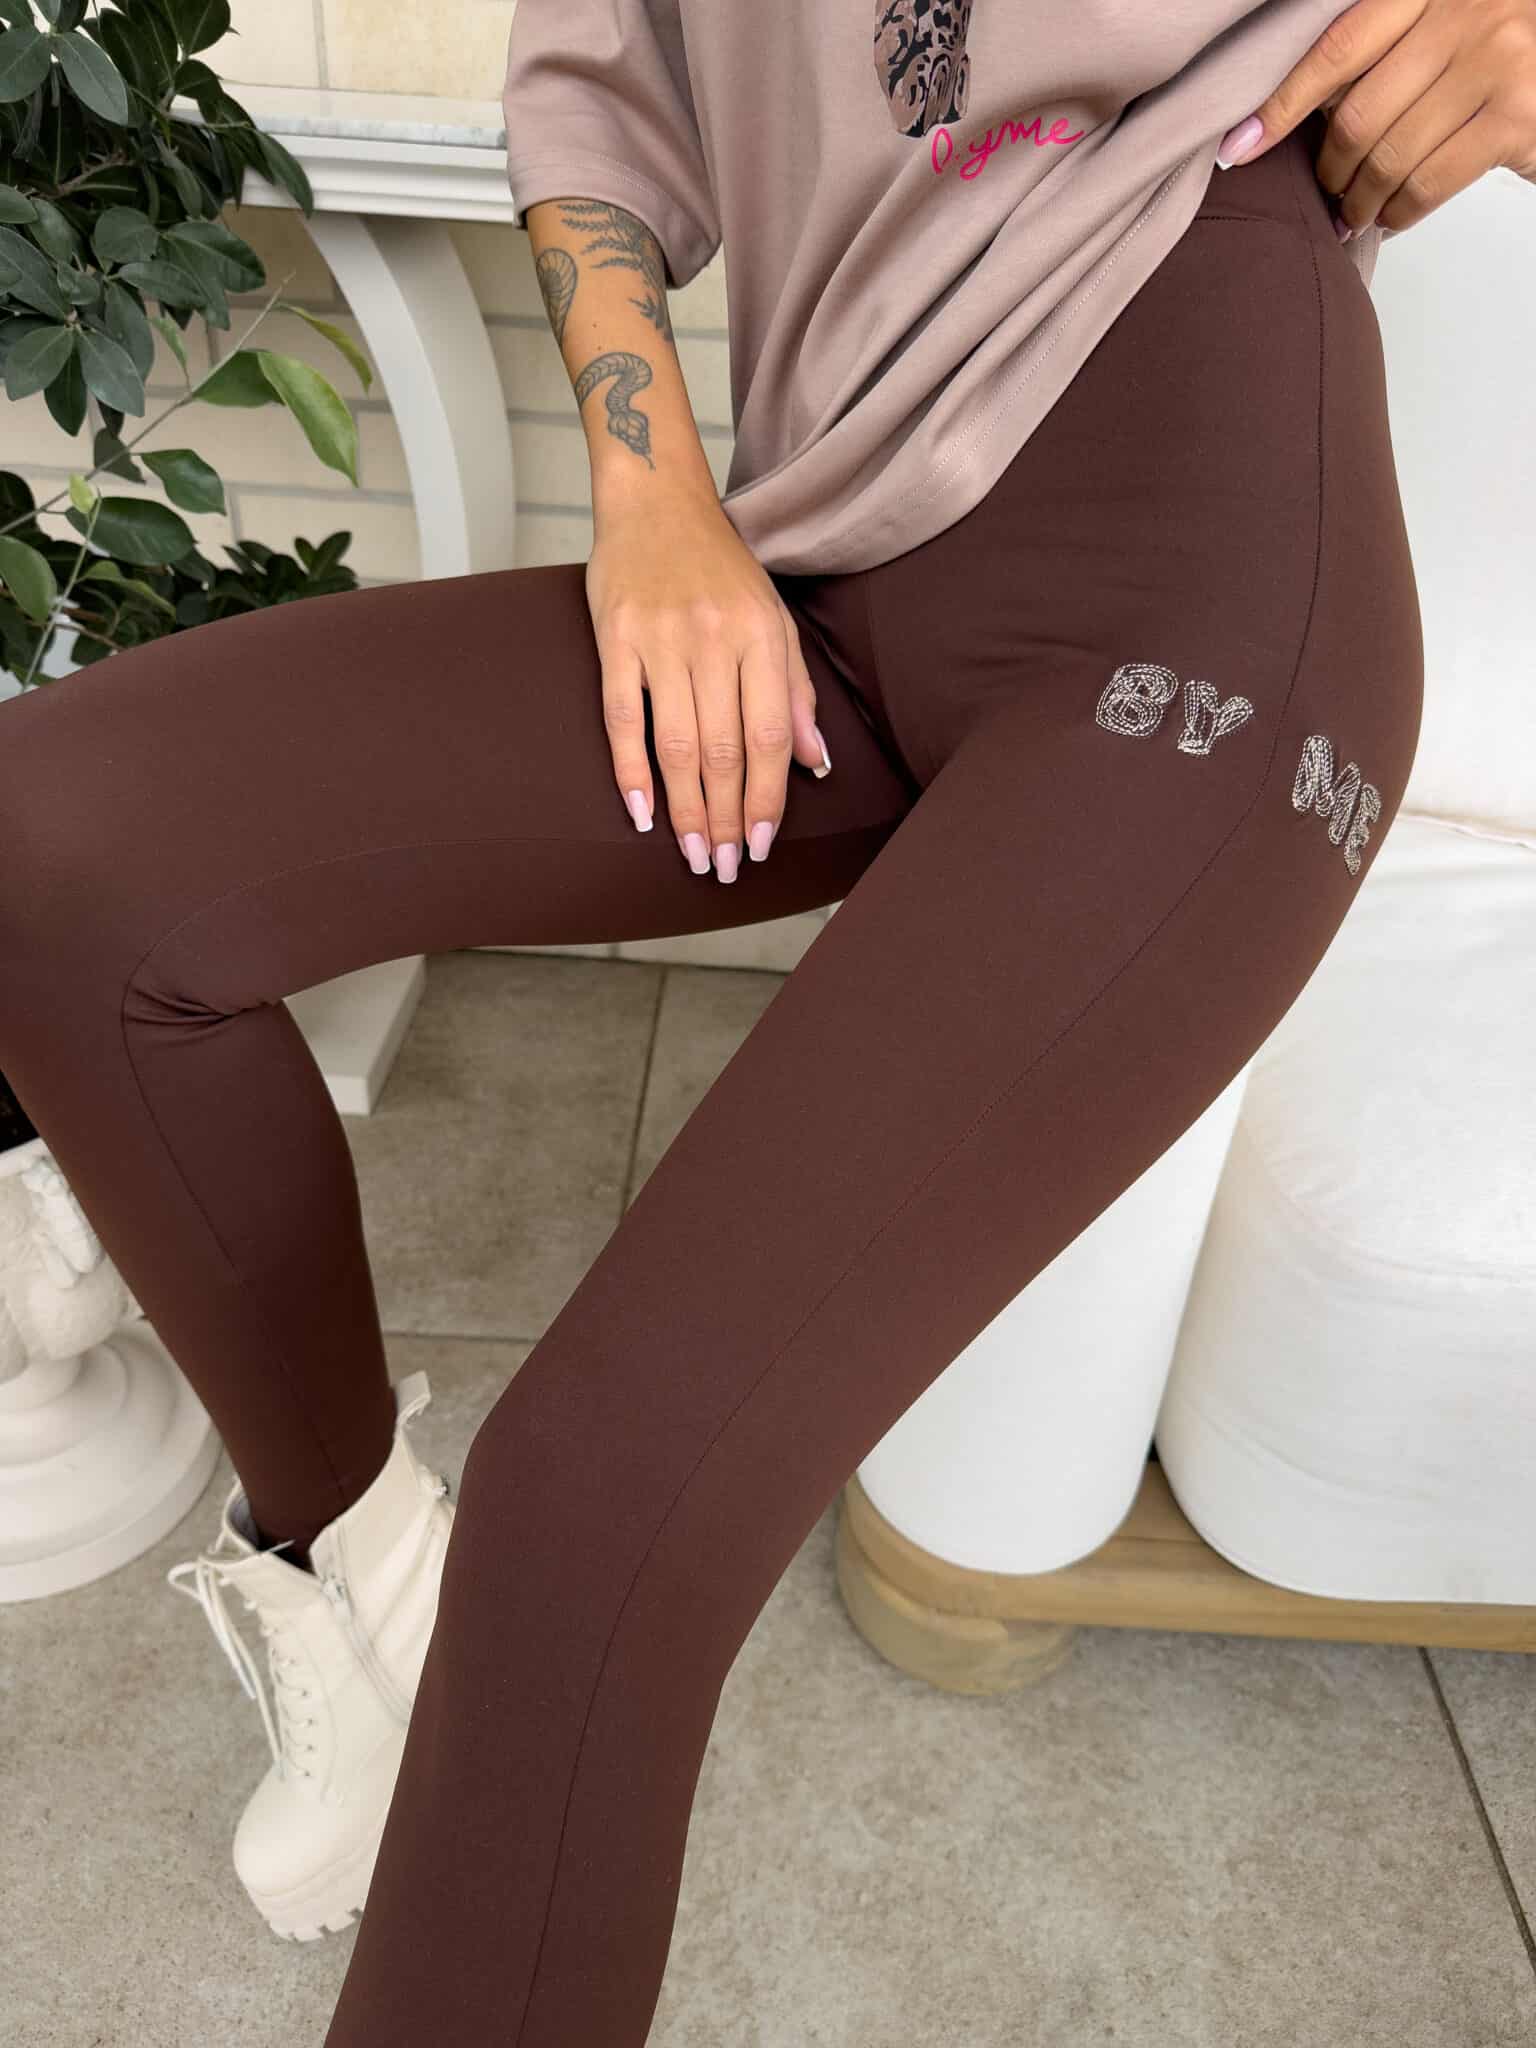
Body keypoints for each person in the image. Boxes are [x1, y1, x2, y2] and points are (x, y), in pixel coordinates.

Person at [1, 0, 1531, 2040]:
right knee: (62, 855)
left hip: (1198, 576)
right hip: (822, 552)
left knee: (599, 1502)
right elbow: (599, 89)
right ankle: (361, 1588)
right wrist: (655, 503)